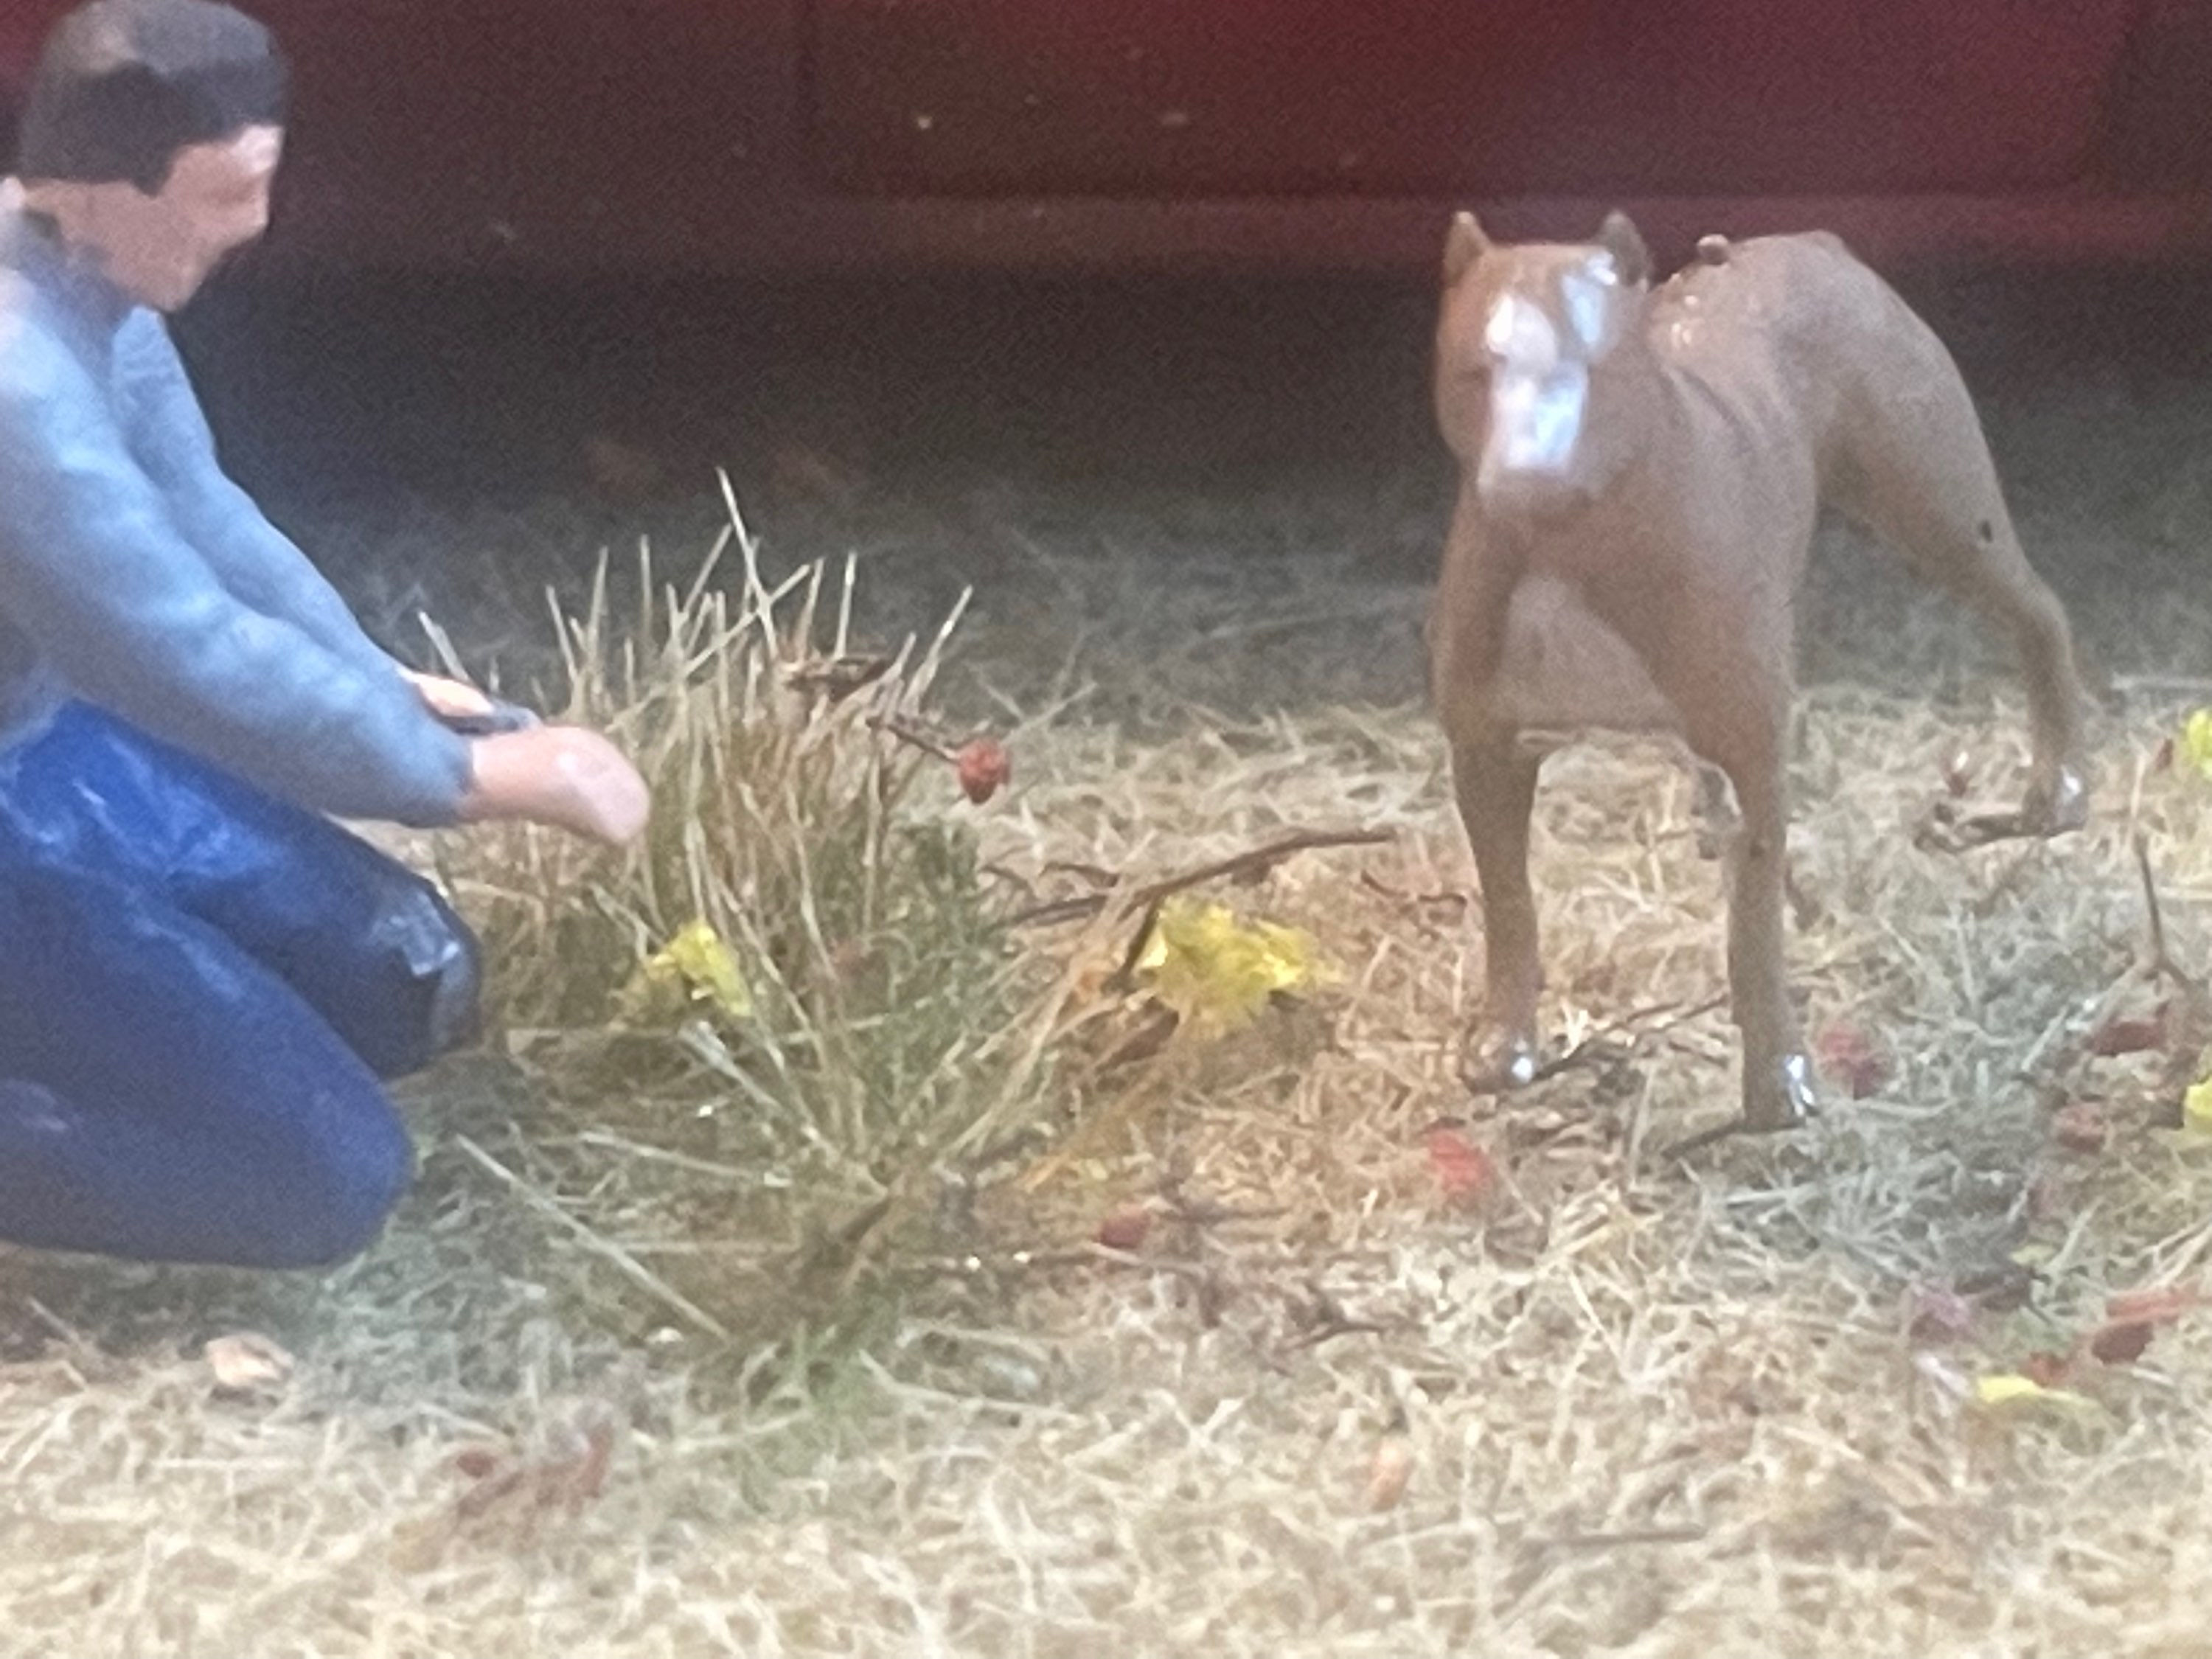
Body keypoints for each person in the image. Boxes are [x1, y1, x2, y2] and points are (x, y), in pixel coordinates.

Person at [0, 0, 650, 1270]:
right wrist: (455, 779)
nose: (248, 229)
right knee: (322, 1176)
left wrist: (379, 687)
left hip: (41, 741)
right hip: (41, 748)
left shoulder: (95, 285)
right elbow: (167, 644)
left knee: (412, 977)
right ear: (100, 185)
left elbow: (208, 527)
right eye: (222, 194)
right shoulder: (15, 381)